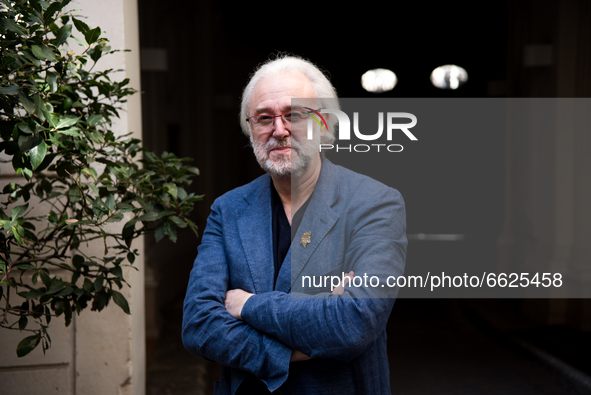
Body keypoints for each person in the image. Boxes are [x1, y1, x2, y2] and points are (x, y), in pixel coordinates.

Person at [182, 55, 407, 395]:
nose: (279, 130)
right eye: (264, 118)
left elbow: (353, 323)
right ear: (250, 126)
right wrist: (295, 343)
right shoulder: (227, 210)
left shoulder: (375, 203)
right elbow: (199, 326)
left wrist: (245, 305)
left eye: (294, 115)